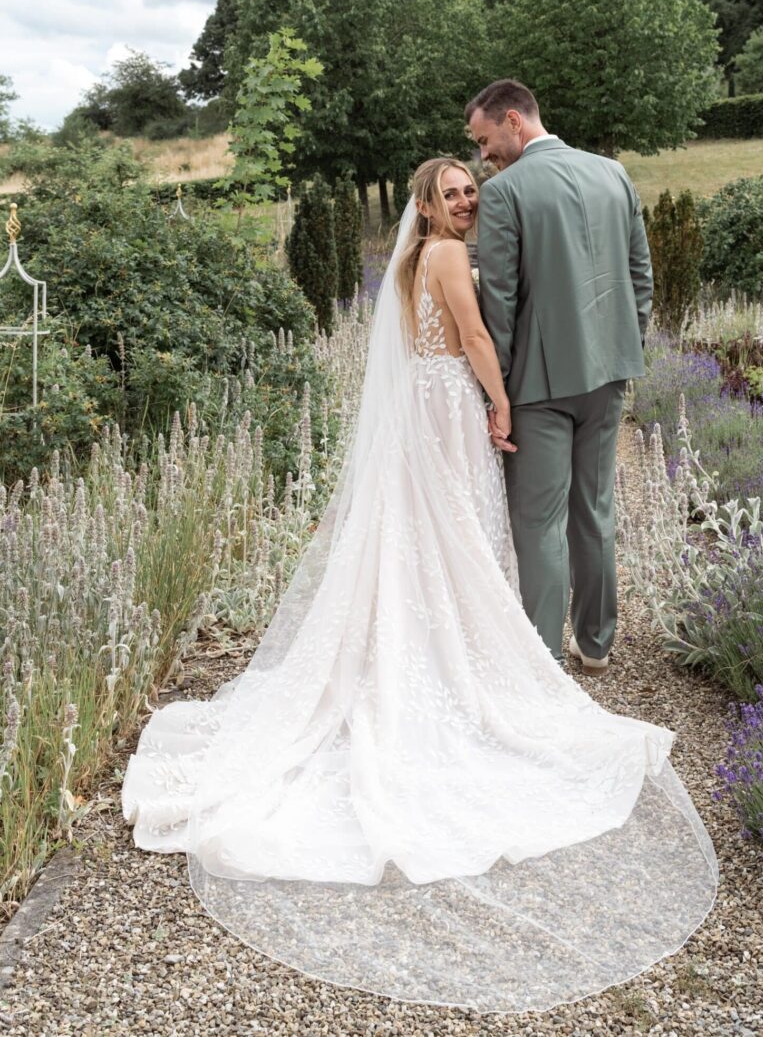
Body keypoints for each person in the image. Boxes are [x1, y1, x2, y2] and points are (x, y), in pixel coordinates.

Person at [122, 158, 716, 1013]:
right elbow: (474, 339)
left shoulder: (412, 260)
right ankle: (468, 658)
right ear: (427, 209)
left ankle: (440, 644)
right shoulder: (443, 255)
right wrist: (505, 405)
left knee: (438, 545)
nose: (468, 200)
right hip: (449, 407)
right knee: (460, 539)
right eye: (453, 193)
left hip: (427, 409)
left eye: (472, 188)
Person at [467, 79, 652, 672]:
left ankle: (542, 664)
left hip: (539, 388)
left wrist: (495, 394)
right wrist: (622, 345)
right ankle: (595, 645)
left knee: (539, 521)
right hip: (609, 376)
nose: (483, 154)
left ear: (514, 121)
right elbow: (639, 277)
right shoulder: (613, 174)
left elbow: (498, 302)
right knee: (594, 510)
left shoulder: (505, 193)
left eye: (485, 138)